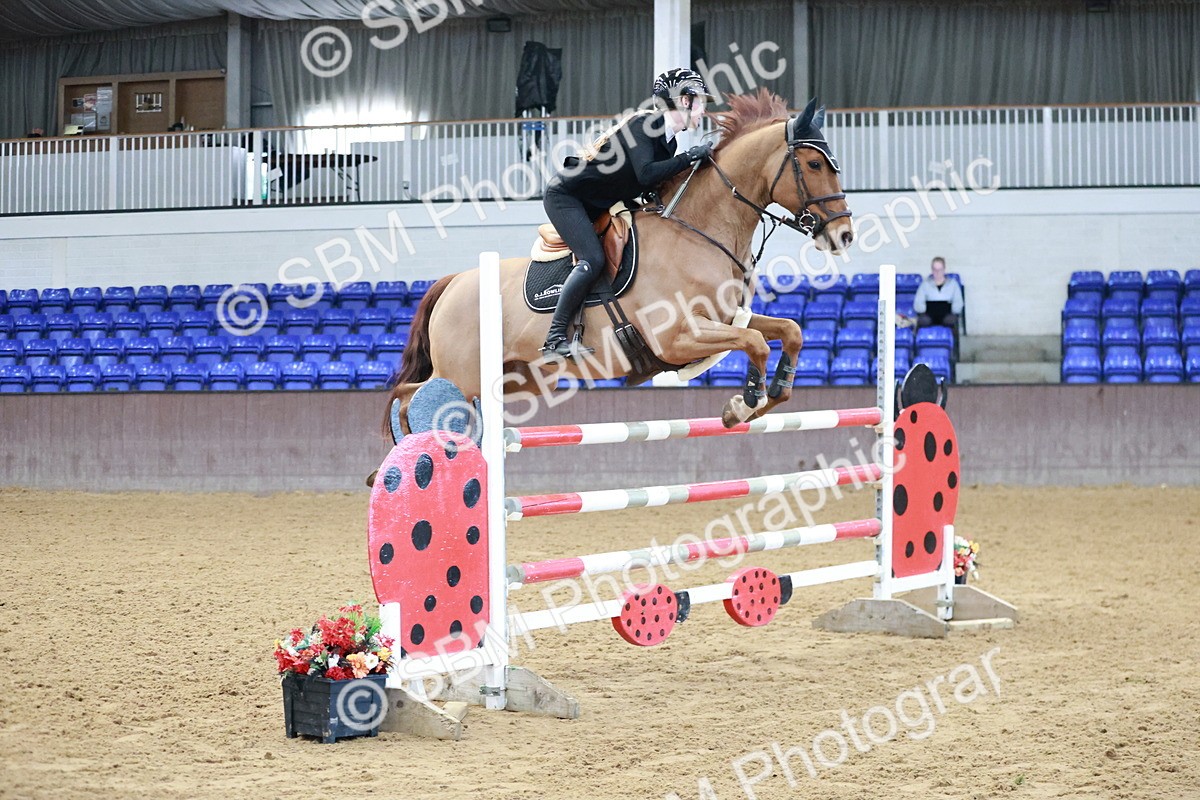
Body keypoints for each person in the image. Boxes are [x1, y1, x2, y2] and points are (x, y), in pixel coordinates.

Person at [539, 67, 715, 359]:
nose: (702, 112)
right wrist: (690, 156)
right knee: (593, 259)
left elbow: (647, 185)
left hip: (598, 203)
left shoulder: (667, 142)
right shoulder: (647, 126)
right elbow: (646, 174)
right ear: (683, 100)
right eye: (699, 103)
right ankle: (555, 338)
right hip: (567, 197)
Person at [913, 257, 964, 333]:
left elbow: (959, 303)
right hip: (928, 316)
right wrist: (924, 309)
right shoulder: (925, 285)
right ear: (932, 270)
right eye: (935, 269)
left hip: (948, 316)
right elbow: (917, 303)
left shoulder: (953, 284)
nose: (937, 272)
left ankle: (953, 344)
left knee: (951, 321)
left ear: (944, 269)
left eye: (940, 269)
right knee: (922, 321)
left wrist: (952, 309)